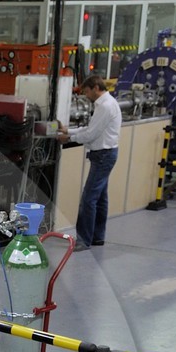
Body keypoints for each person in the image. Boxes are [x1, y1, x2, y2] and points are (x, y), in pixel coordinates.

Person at [60, 73, 122, 249]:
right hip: (105, 154)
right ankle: (97, 236)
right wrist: (69, 130)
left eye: (87, 92)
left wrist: (68, 139)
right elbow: (90, 128)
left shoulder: (105, 106)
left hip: (103, 155)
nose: (86, 96)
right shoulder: (106, 104)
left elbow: (91, 134)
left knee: (88, 198)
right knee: (101, 198)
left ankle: (83, 240)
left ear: (96, 87)